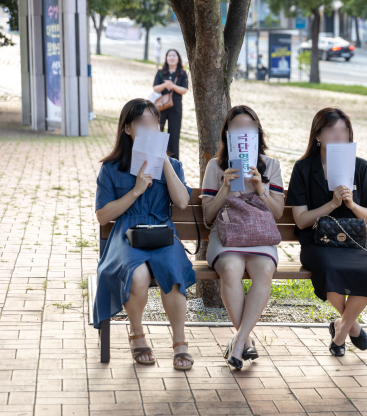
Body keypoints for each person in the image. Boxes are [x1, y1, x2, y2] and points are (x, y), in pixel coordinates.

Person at [93, 98, 196, 370]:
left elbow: (183, 202)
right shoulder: (111, 169)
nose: (150, 129)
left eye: (155, 124)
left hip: (162, 232)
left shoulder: (173, 164)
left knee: (173, 272)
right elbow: (103, 215)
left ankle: (180, 342)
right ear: (128, 129)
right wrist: (136, 190)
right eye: (142, 124)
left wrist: (164, 165)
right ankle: (137, 335)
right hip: (126, 234)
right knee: (137, 275)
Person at [286, 107, 367, 357]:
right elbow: (301, 220)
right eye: (331, 130)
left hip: (355, 242)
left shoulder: (360, 167)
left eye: (344, 131)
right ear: (318, 135)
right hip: (318, 243)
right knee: (329, 271)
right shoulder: (304, 168)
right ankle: (353, 326)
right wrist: (331, 204)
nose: (338, 136)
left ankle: (340, 331)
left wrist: (351, 204)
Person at [200, 105, 285, 370]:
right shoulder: (216, 166)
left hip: (260, 235)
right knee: (230, 267)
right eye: (237, 126)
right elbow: (208, 217)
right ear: (227, 133)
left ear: (257, 132)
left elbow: (279, 213)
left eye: (249, 125)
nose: (244, 130)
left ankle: (238, 342)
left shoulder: (271, 165)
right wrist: (225, 187)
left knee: (264, 270)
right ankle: (244, 341)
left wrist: (260, 188)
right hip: (226, 235)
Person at [153, 49, 188, 160]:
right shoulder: (160, 72)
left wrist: (173, 86)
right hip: (161, 106)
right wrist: (165, 85)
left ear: (178, 58)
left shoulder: (182, 73)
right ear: (166, 58)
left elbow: (184, 90)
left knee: (174, 134)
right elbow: (155, 87)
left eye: (174, 56)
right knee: (158, 131)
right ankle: (156, 156)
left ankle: (173, 160)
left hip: (176, 107)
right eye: (169, 56)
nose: (172, 58)